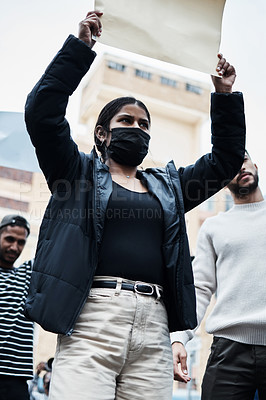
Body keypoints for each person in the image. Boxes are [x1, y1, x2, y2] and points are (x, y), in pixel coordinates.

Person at [24, 10, 245, 400]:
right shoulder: (74, 174)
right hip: (92, 319)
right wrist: (78, 50)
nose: (138, 129)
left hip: (154, 328)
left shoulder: (170, 188)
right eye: (127, 120)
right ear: (102, 133)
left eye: (145, 125)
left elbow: (225, 161)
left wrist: (224, 96)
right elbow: (42, 114)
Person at [172, 151, 266, 399]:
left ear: (255, 166)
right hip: (228, 350)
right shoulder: (213, 227)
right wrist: (179, 338)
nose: (240, 168)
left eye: (243, 160)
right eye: (231, 166)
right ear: (223, 182)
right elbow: (200, 288)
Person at [0, 215, 33, 400]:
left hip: (15, 380)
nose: (14, 247)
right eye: (9, 239)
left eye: (21, 242)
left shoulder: (28, 275)